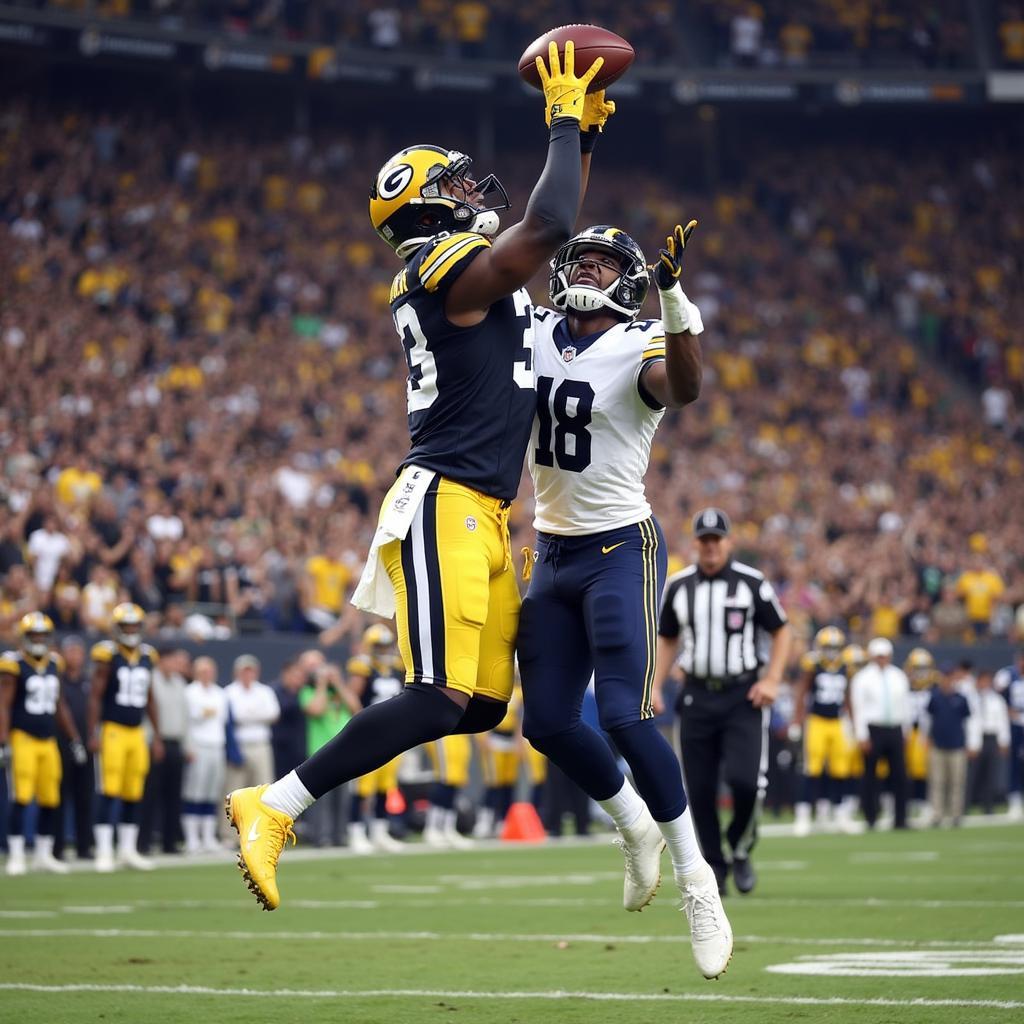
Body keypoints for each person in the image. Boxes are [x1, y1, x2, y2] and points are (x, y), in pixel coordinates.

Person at [225, 40, 610, 911]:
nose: (479, 197)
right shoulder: (433, 271)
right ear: (427, 206)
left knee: (476, 706)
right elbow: (546, 229)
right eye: (462, 187)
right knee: (436, 692)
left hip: (482, 511)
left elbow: (551, 227)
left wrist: (581, 134)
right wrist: (557, 122)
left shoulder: (471, 271)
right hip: (440, 500)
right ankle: (276, 806)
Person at [517, 219, 732, 981]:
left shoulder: (643, 341)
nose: (592, 271)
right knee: (543, 720)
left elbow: (686, 385)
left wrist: (675, 302)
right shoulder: (534, 328)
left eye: (609, 265)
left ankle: (698, 881)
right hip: (550, 547)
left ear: (635, 282)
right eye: (584, 260)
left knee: (623, 713)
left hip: (619, 549)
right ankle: (633, 822)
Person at [655, 508, 792, 907]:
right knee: (698, 789)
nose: (711, 547)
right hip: (696, 695)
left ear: (728, 542)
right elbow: (667, 638)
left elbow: (781, 630)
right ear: (695, 543)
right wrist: (657, 685)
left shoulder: (752, 583)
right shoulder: (679, 587)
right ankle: (714, 864)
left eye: (717, 540)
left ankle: (741, 847)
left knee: (747, 782)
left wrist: (772, 679)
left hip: (742, 696)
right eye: (704, 540)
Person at [0, 613, 87, 875]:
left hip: (48, 740)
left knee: (50, 797)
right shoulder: (12, 664)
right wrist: (3, 741)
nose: (38, 640)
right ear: (24, 637)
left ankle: (43, 854)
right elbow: (3, 704)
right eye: (33, 635)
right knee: (22, 797)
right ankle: (16, 855)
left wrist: (74, 738)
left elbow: (59, 704)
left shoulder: (54, 663)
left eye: (41, 635)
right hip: (22, 737)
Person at [87, 602, 163, 872]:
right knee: (109, 790)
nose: (131, 631)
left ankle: (127, 850)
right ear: (117, 629)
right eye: (126, 626)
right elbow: (95, 696)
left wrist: (157, 735)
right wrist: (93, 731)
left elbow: (150, 698)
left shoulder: (146, 655)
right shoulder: (107, 654)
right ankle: (105, 851)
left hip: (137, 731)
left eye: (134, 626)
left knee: (133, 791)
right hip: (113, 730)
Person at [791, 626, 859, 835]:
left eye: (834, 647)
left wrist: (853, 722)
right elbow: (802, 692)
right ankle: (803, 815)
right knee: (812, 769)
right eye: (828, 647)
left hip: (837, 722)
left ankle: (840, 814)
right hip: (817, 721)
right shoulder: (813, 664)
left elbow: (848, 696)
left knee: (840, 769)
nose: (831, 651)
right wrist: (797, 720)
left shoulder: (845, 665)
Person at [345, 625, 406, 853]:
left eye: (385, 645)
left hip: (392, 732)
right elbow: (351, 695)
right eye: (378, 646)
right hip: (369, 733)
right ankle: (357, 832)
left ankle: (380, 832)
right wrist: (362, 721)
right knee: (363, 786)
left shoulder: (396, 668)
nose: (383, 650)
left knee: (386, 785)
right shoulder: (362, 667)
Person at [849, 637, 911, 831]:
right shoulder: (862, 678)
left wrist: (906, 731)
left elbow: (905, 705)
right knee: (870, 775)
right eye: (879, 656)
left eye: (885, 656)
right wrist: (861, 736)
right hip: (873, 729)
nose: (882, 659)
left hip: (895, 728)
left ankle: (900, 819)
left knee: (900, 775)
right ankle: (871, 817)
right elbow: (858, 708)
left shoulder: (898, 676)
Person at [299, 661, 360, 847]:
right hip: (320, 751)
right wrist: (322, 685)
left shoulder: (340, 694)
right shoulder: (308, 692)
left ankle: (340, 835)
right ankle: (321, 836)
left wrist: (339, 684)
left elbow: (356, 709)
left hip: (344, 751)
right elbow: (315, 709)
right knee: (321, 799)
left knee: (343, 798)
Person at [139, 647, 190, 855]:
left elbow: (185, 716)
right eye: (171, 660)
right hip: (155, 743)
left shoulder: (179, 682)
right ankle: (144, 842)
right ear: (161, 661)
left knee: (173, 795)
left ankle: (170, 842)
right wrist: (153, 740)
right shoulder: (150, 680)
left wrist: (187, 745)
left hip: (175, 742)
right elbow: (148, 713)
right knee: (150, 795)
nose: (175, 665)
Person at [53, 635, 95, 863]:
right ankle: (57, 847)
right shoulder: (57, 680)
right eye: (71, 651)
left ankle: (84, 846)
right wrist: (73, 738)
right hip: (62, 743)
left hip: (86, 744)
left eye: (79, 651)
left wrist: (90, 737)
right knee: (60, 795)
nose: (75, 656)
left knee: (84, 797)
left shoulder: (87, 681)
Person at [182, 656, 228, 854]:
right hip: (197, 746)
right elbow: (190, 718)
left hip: (216, 746)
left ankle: (208, 837)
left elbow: (221, 718)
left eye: (210, 671)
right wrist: (189, 747)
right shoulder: (189, 692)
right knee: (194, 792)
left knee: (211, 792)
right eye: (202, 671)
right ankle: (192, 838)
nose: (207, 675)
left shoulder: (220, 693)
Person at [223, 655, 280, 795]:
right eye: (244, 671)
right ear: (237, 672)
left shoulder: (265, 691)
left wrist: (246, 715)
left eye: (250, 671)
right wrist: (256, 714)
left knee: (263, 788)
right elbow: (232, 717)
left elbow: (273, 714)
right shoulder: (228, 692)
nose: (247, 674)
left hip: (260, 746)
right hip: (238, 747)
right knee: (234, 789)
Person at [926, 667, 973, 827]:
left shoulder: (961, 698)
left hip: (957, 745)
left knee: (957, 782)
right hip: (938, 745)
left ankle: (955, 815)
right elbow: (928, 718)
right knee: (937, 782)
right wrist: (927, 738)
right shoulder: (935, 697)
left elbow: (968, 722)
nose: (947, 680)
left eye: (949, 676)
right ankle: (937, 814)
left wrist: (970, 743)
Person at [904, 647, 939, 823]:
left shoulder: (935, 686)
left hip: (927, 733)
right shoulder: (903, 685)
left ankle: (925, 804)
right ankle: (909, 803)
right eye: (917, 668)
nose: (920, 673)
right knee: (907, 769)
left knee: (926, 771)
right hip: (908, 732)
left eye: (923, 668)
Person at [968, 671, 1010, 815]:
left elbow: (1003, 721)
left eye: (987, 681)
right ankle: (966, 805)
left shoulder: (997, 700)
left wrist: (1004, 741)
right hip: (976, 740)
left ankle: (988, 807)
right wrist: (971, 744)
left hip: (992, 739)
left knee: (990, 775)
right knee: (972, 775)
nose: (985, 684)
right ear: (978, 681)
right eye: (982, 681)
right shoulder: (971, 699)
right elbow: (970, 723)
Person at [993, 648, 1024, 819]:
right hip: (1014, 725)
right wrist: (1006, 708)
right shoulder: (1007, 675)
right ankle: (1015, 802)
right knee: (1014, 764)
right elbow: (995, 694)